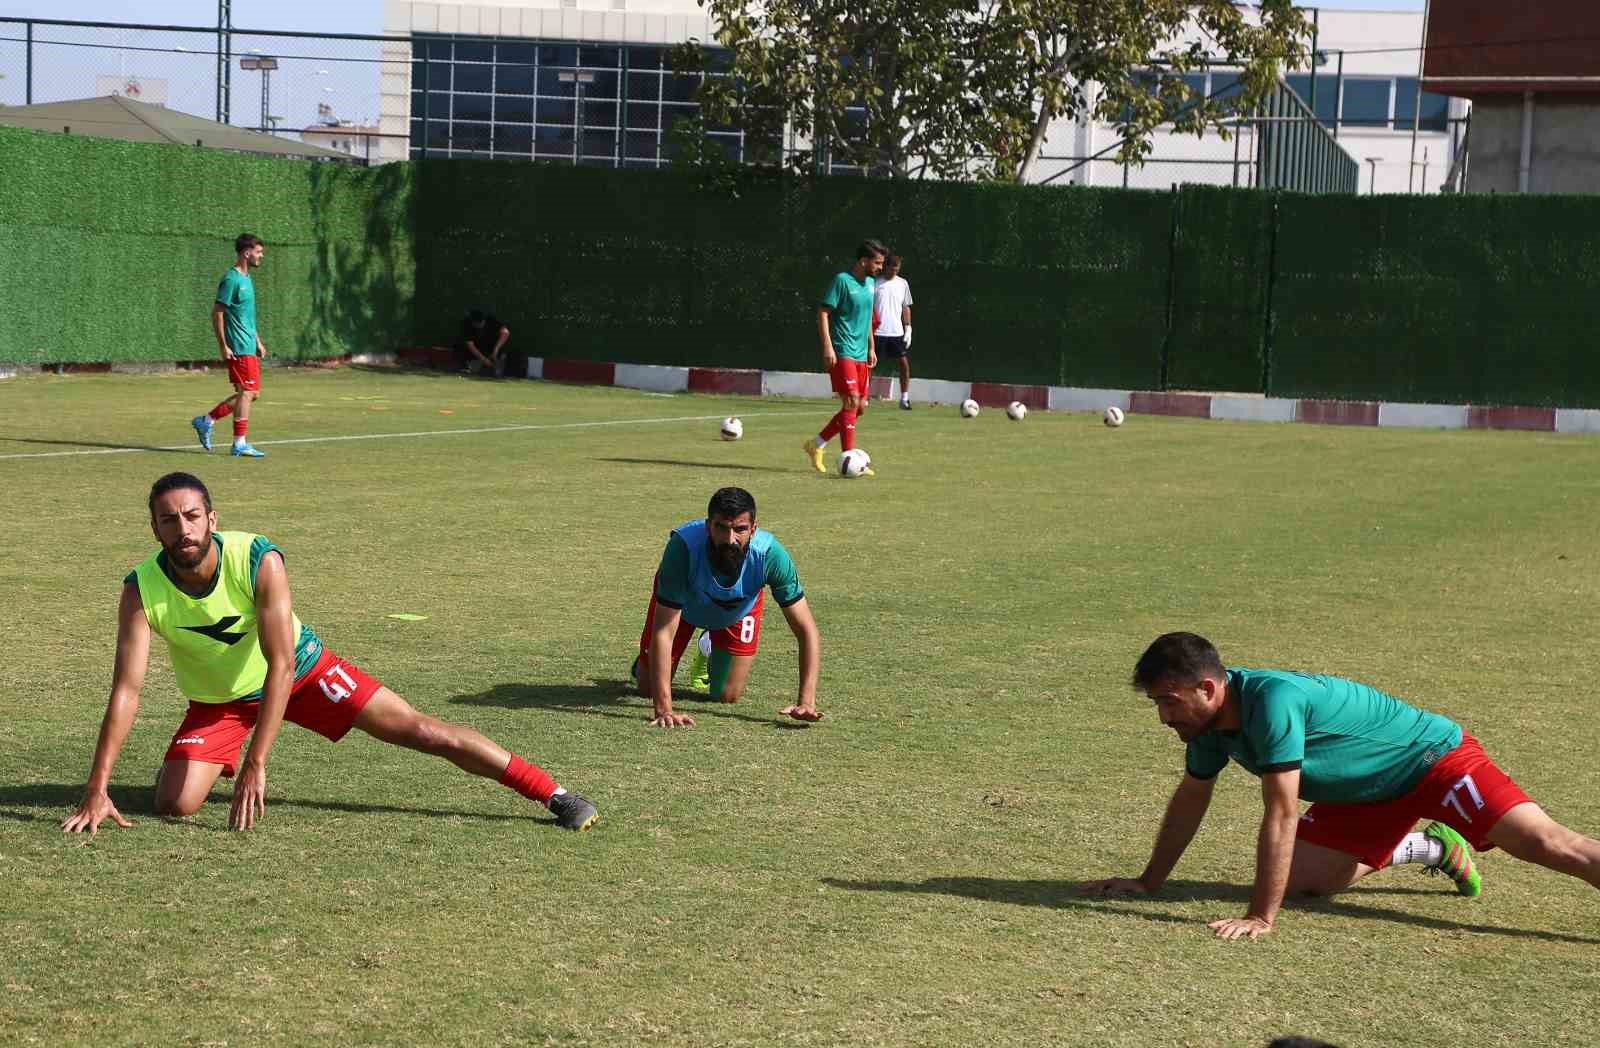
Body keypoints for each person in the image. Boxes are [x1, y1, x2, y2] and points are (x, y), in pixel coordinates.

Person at [61, 472, 598, 835]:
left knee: (421, 730)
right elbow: (127, 690)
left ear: (212, 518)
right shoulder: (141, 588)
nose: (183, 529)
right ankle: (220, 754)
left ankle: (551, 793)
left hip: (302, 673)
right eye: (169, 520)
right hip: (220, 701)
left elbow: (282, 664)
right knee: (173, 805)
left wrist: (257, 763)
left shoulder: (257, 559)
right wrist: (96, 787)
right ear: (153, 528)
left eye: (192, 515)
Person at [1084, 631, 1600, 940]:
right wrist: (1149, 881)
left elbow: (1281, 813)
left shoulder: (1273, 701)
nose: (1163, 716)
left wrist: (1261, 917)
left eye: (1169, 701)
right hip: (1366, 793)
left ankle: (1436, 829)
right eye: (1157, 703)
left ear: (1208, 687)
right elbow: (1191, 800)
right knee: (1306, 879)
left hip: (1434, 761)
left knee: (1548, 844)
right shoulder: (1205, 725)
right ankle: (1430, 846)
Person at [630, 486, 823, 729]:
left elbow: (806, 630)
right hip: (683, 609)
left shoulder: (771, 556)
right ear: (708, 525)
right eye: (721, 527)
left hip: (737, 609)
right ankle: (645, 664)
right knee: (647, 688)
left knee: (727, 696)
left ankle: (708, 647)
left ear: (754, 529)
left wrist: (806, 702)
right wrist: (664, 710)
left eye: (740, 529)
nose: (730, 539)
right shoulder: (682, 549)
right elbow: (664, 631)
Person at [802, 240, 883, 476]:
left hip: (861, 353)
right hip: (842, 350)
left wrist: (871, 346)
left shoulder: (870, 283)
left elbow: (868, 317)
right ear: (863, 261)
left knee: (860, 407)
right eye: (877, 263)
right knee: (851, 403)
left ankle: (815, 444)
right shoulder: (842, 281)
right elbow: (823, 313)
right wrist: (828, 346)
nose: (880, 267)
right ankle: (850, 461)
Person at [191, 233, 269, 458]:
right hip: (238, 346)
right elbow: (217, 314)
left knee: (250, 394)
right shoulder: (232, 279)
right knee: (249, 392)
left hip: (248, 344)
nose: (261, 256)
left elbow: (246, 316)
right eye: (258, 252)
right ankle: (239, 443)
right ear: (247, 253)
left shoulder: (247, 279)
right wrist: (223, 345)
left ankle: (206, 420)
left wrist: (258, 341)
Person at [873, 253, 914, 410]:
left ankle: (904, 399)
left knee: (903, 364)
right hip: (876, 332)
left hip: (896, 333)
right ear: (886, 267)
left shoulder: (903, 283)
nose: (894, 273)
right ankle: (864, 397)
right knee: (869, 365)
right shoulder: (875, 283)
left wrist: (908, 328)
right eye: (892, 269)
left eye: (897, 270)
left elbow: (905, 307)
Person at [456, 309, 511, 376]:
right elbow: (470, 346)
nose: (480, 325)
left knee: (499, 353)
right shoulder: (467, 324)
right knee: (460, 346)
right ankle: (466, 367)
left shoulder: (491, 320)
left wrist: (496, 349)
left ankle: (497, 369)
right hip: (476, 349)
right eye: (477, 324)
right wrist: (484, 360)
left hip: (490, 346)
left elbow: (505, 332)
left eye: (482, 323)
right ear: (473, 323)